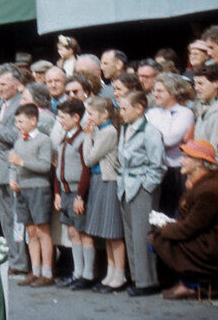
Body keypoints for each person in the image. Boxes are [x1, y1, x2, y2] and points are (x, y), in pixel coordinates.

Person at [150, 139, 218, 299]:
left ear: (200, 162)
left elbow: (191, 227)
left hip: (211, 244)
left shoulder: (208, 189)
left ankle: (190, 284)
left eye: (186, 157)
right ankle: (186, 282)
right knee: (159, 235)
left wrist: (165, 228)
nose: (181, 161)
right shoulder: (198, 183)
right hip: (205, 237)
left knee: (161, 238)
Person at [117, 91, 167, 296]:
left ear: (139, 108)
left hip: (141, 187)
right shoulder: (125, 128)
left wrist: (146, 187)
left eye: (124, 108)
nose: (121, 113)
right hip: (125, 186)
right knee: (131, 234)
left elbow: (158, 166)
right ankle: (137, 277)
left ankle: (147, 281)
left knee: (142, 234)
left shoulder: (150, 132)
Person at [82, 97, 126, 292]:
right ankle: (111, 272)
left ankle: (120, 274)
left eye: (91, 113)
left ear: (105, 114)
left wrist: (87, 136)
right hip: (98, 181)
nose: (89, 118)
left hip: (108, 181)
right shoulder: (101, 131)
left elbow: (89, 158)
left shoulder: (108, 132)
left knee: (113, 232)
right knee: (106, 233)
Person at [8, 103, 54, 287]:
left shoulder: (43, 140)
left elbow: (44, 166)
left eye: (21, 122)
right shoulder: (19, 141)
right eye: (16, 122)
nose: (18, 125)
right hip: (23, 189)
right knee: (30, 231)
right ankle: (34, 270)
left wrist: (21, 162)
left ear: (33, 120)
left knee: (42, 230)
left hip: (38, 188)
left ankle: (47, 271)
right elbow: (13, 163)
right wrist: (13, 178)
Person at [54, 98, 95, 289]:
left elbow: (86, 168)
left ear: (76, 117)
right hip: (65, 191)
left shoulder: (81, 139)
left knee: (83, 232)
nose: (60, 120)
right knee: (72, 231)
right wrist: (57, 192)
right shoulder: (64, 138)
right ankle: (77, 272)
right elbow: (58, 167)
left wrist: (80, 195)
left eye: (63, 117)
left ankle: (88, 274)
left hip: (77, 191)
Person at [0, 63, 28, 274]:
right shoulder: (1, 104)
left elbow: (16, 135)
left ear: (16, 84)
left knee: (16, 217)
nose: (0, 88)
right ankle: (13, 258)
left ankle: (20, 261)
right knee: (5, 217)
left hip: (12, 166)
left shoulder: (19, 104)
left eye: (4, 84)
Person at [146, 72, 196, 217]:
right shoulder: (152, 112)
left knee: (170, 215)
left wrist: (151, 137)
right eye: (155, 90)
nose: (155, 94)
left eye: (160, 91)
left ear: (173, 92)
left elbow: (169, 140)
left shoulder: (185, 113)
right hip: (153, 169)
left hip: (174, 172)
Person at [193, 65, 218, 145]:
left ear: (216, 84)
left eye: (200, 83)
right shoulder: (202, 106)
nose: (196, 88)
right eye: (195, 84)